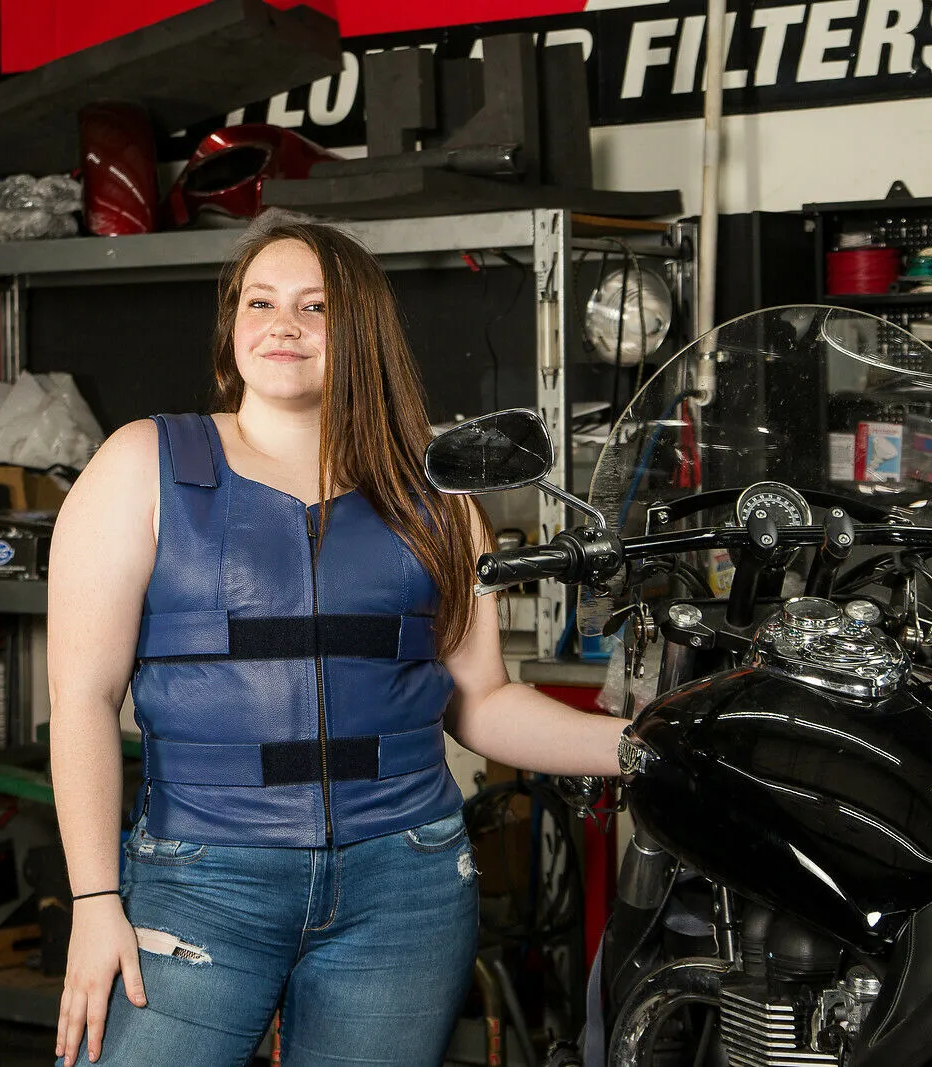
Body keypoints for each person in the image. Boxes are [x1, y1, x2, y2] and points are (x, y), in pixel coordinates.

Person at [47, 212, 629, 1066]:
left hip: (405, 882)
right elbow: (83, 700)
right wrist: (95, 900)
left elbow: (484, 702)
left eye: (316, 307)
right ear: (232, 325)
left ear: (361, 332)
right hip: (203, 881)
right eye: (261, 301)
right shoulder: (143, 463)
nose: (283, 323)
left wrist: (649, 744)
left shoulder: (437, 499)